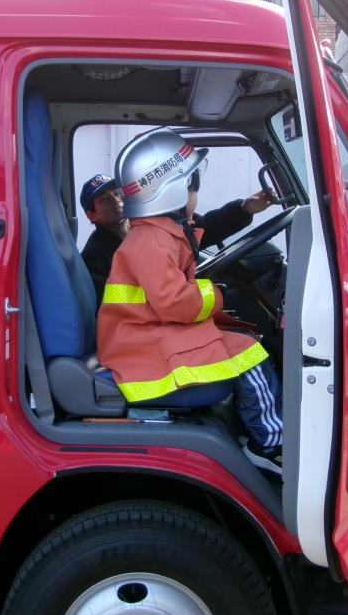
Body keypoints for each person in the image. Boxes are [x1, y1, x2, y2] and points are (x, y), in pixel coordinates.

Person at [96, 128, 283, 473]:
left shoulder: (161, 233)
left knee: (242, 340)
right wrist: (219, 294)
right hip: (142, 345)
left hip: (147, 334)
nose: (196, 196)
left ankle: (251, 427)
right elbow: (174, 302)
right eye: (193, 187)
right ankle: (269, 442)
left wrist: (245, 208)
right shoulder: (152, 242)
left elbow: (203, 229)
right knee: (251, 354)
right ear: (174, 191)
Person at [80, 169, 272, 307]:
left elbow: (204, 227)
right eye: (105, 199)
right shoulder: (94, 255)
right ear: (91, 215)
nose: (115, 201)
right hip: (148, 323)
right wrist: (194, 292)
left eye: (117, 193)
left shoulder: (146, 224)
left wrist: (244, 209)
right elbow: (116, 300)